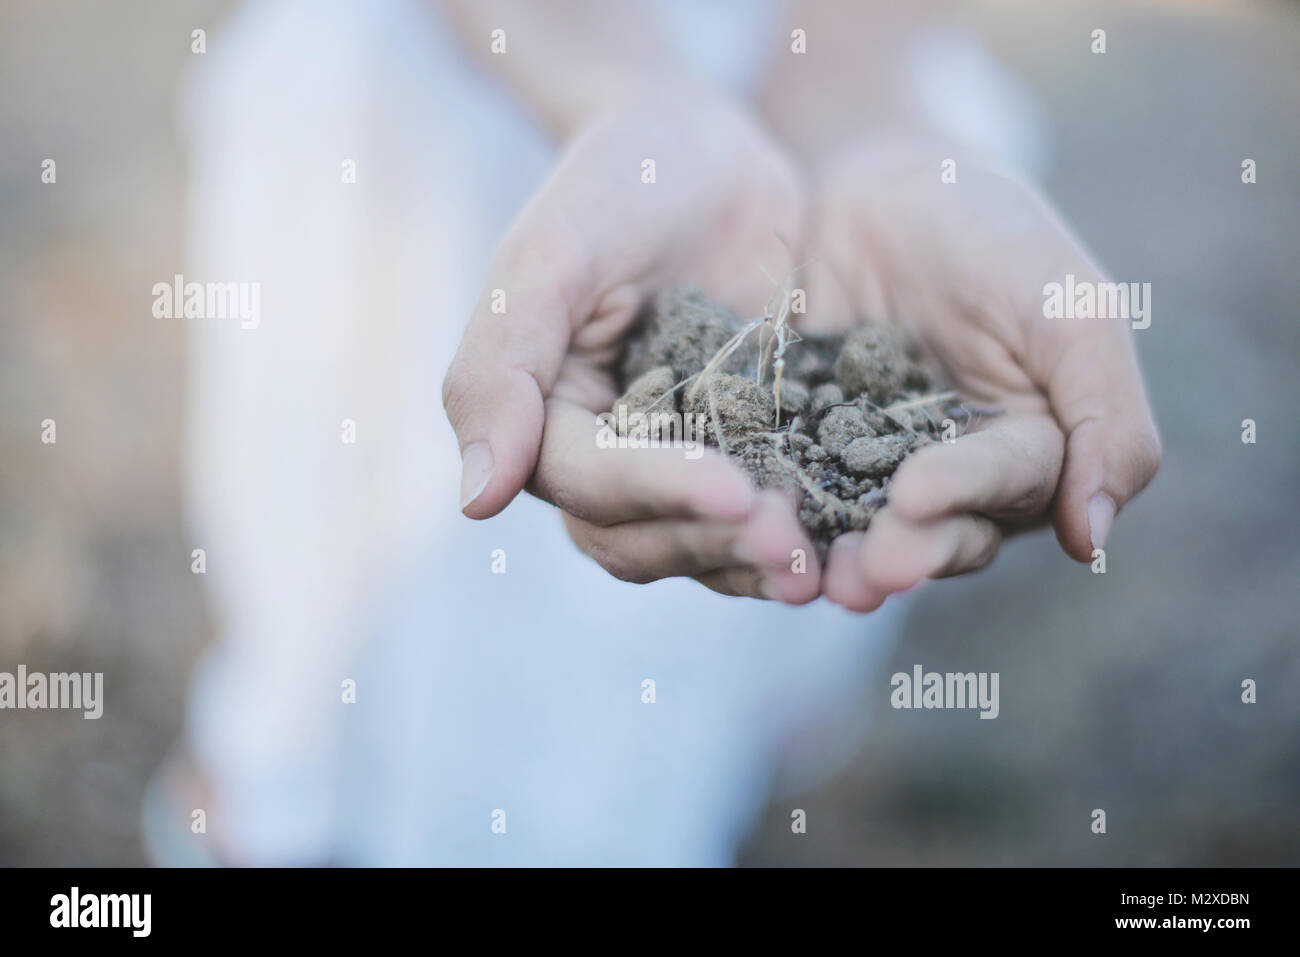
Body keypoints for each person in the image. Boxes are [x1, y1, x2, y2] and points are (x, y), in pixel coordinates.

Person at [144, 0, 1158, 866]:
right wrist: (622, 86)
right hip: (475, 54)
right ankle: (273, 804)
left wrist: (849, 105)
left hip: (784, 85)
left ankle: (684, 781)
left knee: (674, 674)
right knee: (339, 615)